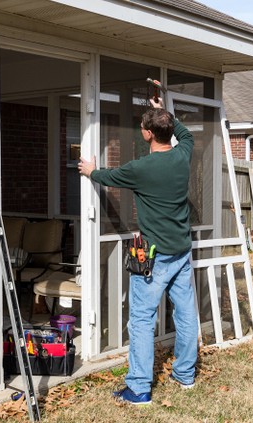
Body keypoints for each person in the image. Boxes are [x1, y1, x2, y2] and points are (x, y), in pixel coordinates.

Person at [78, 96, 198, 405]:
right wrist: (165, 113)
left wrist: (90, 170)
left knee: (142, 320)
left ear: (146, 133)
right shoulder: (182, 155)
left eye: (144, 125)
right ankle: (184, 375)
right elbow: (186, 135)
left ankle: (140, 388)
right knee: (185, 314)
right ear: (167, 131)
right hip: (182, 252)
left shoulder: (141, 168)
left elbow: (107, 176)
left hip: (154, 257)